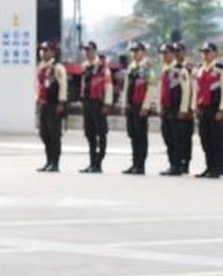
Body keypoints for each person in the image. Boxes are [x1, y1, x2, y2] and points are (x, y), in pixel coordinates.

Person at [120, 41, 154, 175]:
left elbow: (152, 87)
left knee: (141, 135)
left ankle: (140, 165)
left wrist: (146, 106)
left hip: (141, 105)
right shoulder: (131, 67)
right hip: (131, 105)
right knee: (133, 135)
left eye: (137, 51)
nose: (134, 54)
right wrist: (124, 104)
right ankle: (134, 163)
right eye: (132, 51)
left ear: (143, 52)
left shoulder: (148, 67)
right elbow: (126, 87)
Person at [160, 44, 194, 176]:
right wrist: (161, 106)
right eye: (162, 53)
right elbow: (162, 90)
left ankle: (177, 165)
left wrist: (184, 109)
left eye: (166, 53)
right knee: (168, 137)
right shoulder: (165, 70)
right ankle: (172, 163)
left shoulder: (181, 70)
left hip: (176, 108)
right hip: (167, 108)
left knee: (177, 138)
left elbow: (186, 91)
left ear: (173, 54)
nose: (164, 56)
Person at [78, 42, 112, 173]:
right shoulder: (85, 66)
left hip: (99, 103)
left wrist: (107, 104)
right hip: (87, 103)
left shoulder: (102, 66)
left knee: (101, 133)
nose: (87, 53)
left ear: (95, 51)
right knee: (89, 133)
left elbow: (108, 86)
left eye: (89, 50)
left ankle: (99, 162)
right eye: (85, 50)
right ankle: (92, 162)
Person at [35, 41, 67, 172]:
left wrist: (61, 102)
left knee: (54, 135)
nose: (43, 53)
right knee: (44, 133)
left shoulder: (57, 68)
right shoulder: (41, 67)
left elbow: (63, 86)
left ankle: (55, 163)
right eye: (42, 50)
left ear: (52, 52)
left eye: (46, 50)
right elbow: (39, 86)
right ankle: (48, 161)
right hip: (44, 104)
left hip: (54, 105)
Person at [195, 42, 221, 178]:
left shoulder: (219, 69)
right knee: (205, 139)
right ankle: (209, 166)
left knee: (215, 139)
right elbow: (198, 90)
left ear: (215, 53)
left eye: (208, 52)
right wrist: (196, 107)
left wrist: (221, 110)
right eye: (203, 52)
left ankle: (216, 168)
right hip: (203, 108)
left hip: (215, 108)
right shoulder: (200, 69)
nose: (205, 55)